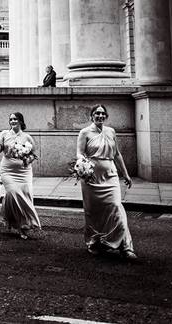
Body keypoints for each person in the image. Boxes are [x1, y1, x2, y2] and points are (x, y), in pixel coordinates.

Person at [77, 104, 136, 260]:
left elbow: (117, 154)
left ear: (106, 116)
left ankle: (126, 247)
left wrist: (126, 174)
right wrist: (83, 166)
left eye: (103, 114)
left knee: (116, 207)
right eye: (97, 113)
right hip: (91, 178)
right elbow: (80, 153)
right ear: (91, 116)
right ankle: (94, 242)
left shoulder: (111, 131)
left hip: (110, 176)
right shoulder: (85, 133)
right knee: (93, 212)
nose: (100, 116)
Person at [0, 112, 41, 239]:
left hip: (24, 171)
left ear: (20, 121)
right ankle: (19, 226)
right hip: (7, 170)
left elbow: (34, 155)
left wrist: (26, 159)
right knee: (13, 193)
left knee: (25, 196)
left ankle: (17, 223)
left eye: (15, 119)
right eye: (11, 119)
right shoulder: (4, 134)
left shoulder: (27, 137)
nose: (12, 121)